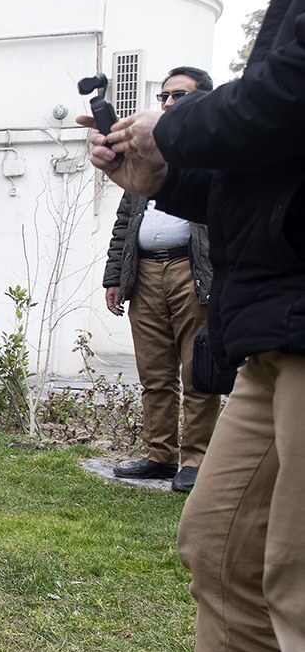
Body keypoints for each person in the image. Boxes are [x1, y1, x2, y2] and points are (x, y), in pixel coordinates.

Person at [83, 0, 305, 652]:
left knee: (300, 576)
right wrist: (165, 173)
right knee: (220, 544)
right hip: (274, 322)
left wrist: (175, 125)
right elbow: (268, 159)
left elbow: (288, 96)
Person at [102, 66, 219, 494]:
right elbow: (123, 224)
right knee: (154, 372)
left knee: (198, 373)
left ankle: (196, 459)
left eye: (179, 96)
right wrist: (115, 277)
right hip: (147, 272)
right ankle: (160, 455)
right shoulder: (145, 156)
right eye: (164, 97)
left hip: (193, 271)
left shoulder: (212, 152)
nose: (168, 103)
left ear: (204, 99)